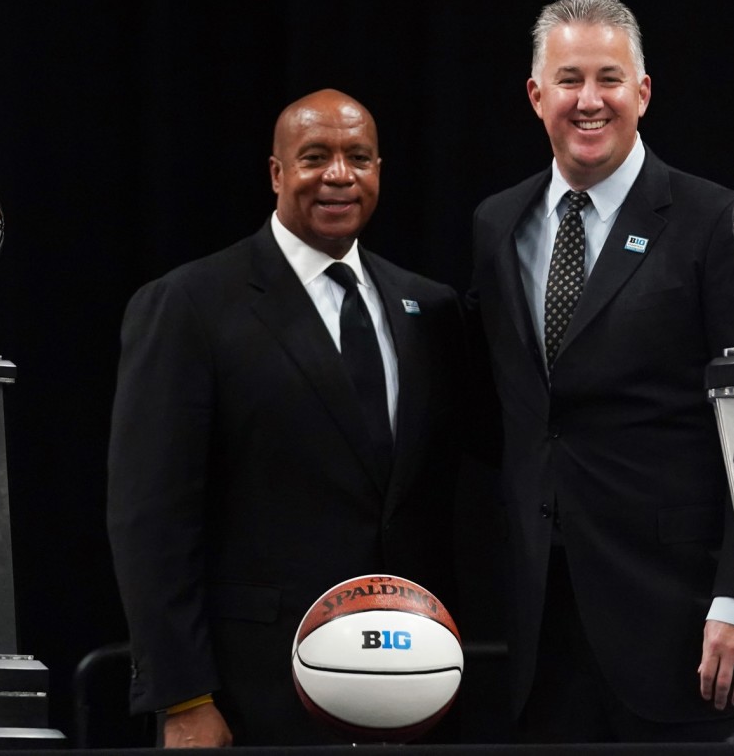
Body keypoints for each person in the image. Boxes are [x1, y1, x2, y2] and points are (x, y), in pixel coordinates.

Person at [468, 0, 734, 742]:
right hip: (537, 626)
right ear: (535, 94)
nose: (590, 101)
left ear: (642, 93)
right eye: (570, 79)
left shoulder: (718, 222)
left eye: (609, 79)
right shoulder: (497, 222)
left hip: (682, 624)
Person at [107, 89, 466, 748]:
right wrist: (184, 697)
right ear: (276, 173)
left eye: (358, 157)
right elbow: (150, 517)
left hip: (413, 690)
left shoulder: (430, 307)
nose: (338, 174)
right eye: (314, 156)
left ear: (379, 171)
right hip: (253, 697)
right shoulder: (191, 304)